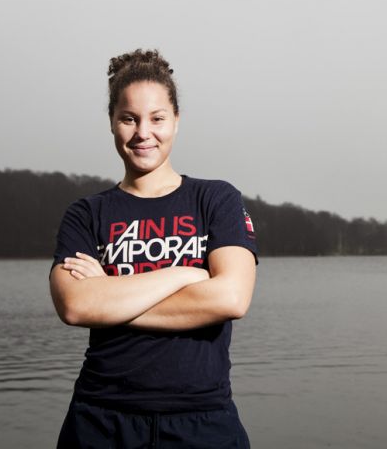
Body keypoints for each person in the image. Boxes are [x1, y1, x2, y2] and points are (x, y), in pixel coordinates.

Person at [49, 49, 258, 448]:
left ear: (176, 121)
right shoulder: (86, 214)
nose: (143, 132)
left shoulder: (216, 200)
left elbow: (231, 297)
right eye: (129, 118)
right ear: (112, 122)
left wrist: (110, 296)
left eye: (157, 118)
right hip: (100, 420)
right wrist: (186, 275)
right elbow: (76, 306)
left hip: (202, 421)